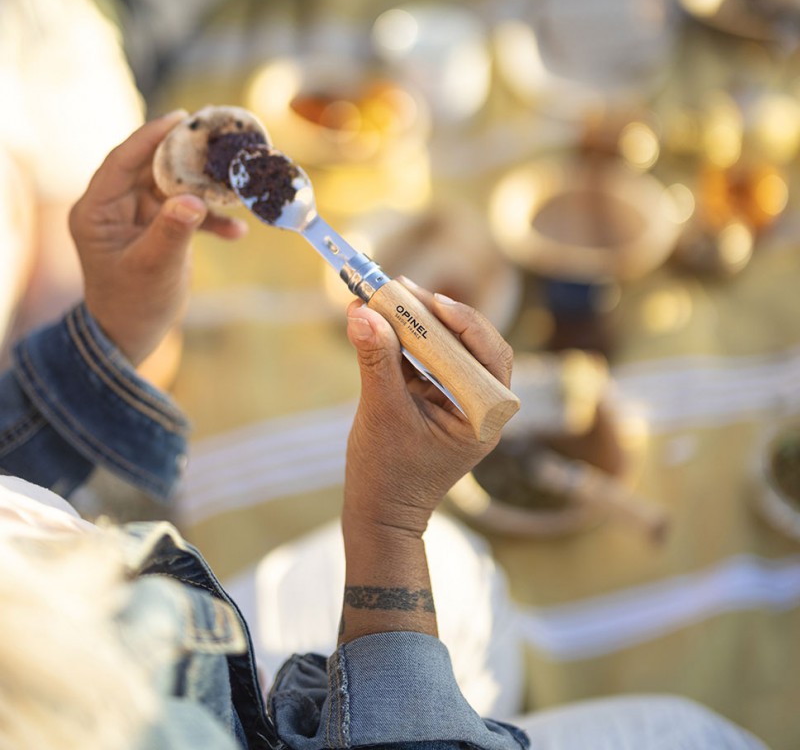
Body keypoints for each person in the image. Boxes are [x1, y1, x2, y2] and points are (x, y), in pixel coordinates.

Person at [0, 114, 768, 749]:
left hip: (190, 653)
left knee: (460, 573)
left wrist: (100, 338)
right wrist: (388, 524)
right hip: (193, 704)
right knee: (695, 735)